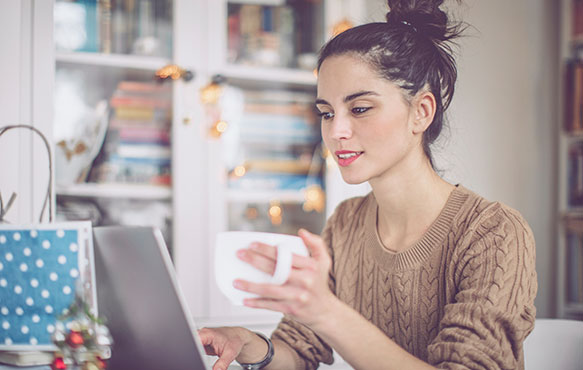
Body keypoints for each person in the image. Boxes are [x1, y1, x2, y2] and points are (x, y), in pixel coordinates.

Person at [198, 0, 537, 369]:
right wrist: (250, 346)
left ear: (421, 112)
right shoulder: (345, 223)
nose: (336, 131)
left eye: (359, 108)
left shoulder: (493, 233)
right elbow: (298, 350)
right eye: (326, 113)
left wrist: (326, 312)